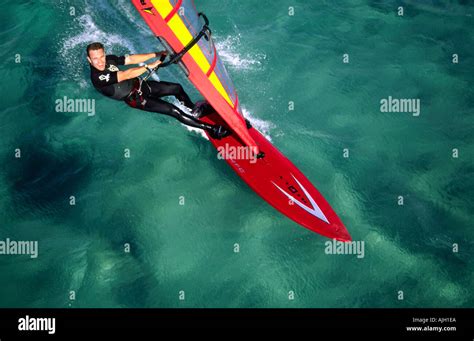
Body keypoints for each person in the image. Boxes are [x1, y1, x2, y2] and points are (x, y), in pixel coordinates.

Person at [86, 42, 230, 138]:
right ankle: (212, 130)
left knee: (176, 88)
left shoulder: (108, 59)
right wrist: (148, 66)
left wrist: (156, 54)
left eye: (101, 56)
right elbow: (125, 74)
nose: (100, 61)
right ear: (89, 59)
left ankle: (194, 110)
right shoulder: (97, 77)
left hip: (141, 85)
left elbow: (130, 59)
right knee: (174, 111)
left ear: (104, 54)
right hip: (137, 99)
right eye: (95, 59)